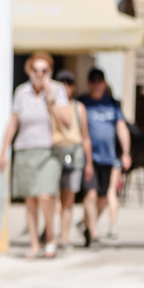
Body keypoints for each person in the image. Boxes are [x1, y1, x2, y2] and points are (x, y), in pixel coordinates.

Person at [0, 51, 75, 259]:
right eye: (36, 70)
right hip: (24, 149)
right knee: (30, 200)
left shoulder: (57, 90)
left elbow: (67, 121)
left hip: (49, 150)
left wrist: (50, 99)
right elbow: (13, 122)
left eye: (44, 70)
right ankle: (34, 244)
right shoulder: (21, 92)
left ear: (50, 72)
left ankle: (50, 236)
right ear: (29, 71)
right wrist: (4, 151)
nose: (40, 74)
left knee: (46, 195)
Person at [79, 68, 132, 241]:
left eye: (99, 81)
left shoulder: (113, 104)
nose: (96, 85)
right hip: (87, 158)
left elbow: (122, 128)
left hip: (107, 157)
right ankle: (93, 233)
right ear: (88, 83)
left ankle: (85, 223)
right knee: (91, 194)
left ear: (104, 83)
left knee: (103, 197)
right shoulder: (82, 103)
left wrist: (125, 152)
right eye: (93, 81)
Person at [53, 70, 96, 249]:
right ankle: (50, 234)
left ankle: (64, 238)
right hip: (53, 153)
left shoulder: (79, 108)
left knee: (68, 200)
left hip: (74, 154)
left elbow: (85, 136)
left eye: (69, 83)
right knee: (52, 198)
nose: (65, 87)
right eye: (62, 83)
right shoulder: (50, 104)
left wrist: (89, 163)